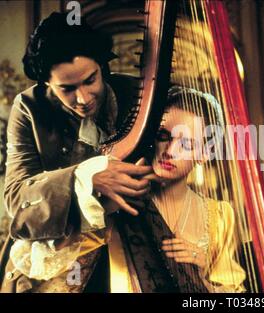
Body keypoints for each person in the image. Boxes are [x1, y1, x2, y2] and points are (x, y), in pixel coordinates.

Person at [0, 12, 153, 292]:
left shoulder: (139, 95)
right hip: (58, 256)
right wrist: (87, 178)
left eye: (90, 80)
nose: (82, 98)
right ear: (46, 83)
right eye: (67, 89)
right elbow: (17, 203)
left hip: (136, 247)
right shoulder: (28, 108)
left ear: (102, 67)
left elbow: (193, 113)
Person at [104, 86, 246, 292]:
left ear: (205, 153)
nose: (170, 151)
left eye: (187, 143)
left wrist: (202, 268)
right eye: (163, 136)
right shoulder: (116, 200)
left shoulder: (221, 216)